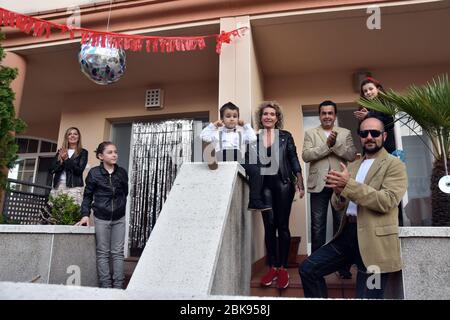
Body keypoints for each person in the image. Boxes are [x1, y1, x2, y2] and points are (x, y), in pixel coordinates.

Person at [298, 116, 407, 299]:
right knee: (308, 269)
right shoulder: (353, 165)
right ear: (360, 137)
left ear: (384, 136)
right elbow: (338, 205)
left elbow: (387, 201)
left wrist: (347, 185)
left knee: (368, 297)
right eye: (364, 133)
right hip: (347, 235)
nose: (369, 137)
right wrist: (339, 193)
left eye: (375, 133)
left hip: (375, 244)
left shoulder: (394, 164)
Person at [302, 100, 357, 279]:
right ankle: (315, 265)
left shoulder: (345, 133)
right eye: (323, 113)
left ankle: (342, 266)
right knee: (317, 227)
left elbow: (351, 155)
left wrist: (335, 144)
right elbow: (306, 155)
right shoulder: (311, 132)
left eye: (330, 113)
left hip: (339, 185)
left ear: (335, 115)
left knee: (340, 226)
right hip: (318, 185)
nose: (327, 116)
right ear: (320, 115)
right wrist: (326, 146)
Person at [254, 101, 305, 290]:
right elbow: (250, 161)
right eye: (265, 114)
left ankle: (282, 268)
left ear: (277, 118)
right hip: (263, 187)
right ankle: (272, 267)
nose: (268, 116)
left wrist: (299, 179)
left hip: (283, 184)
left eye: (272, 114)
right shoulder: (254, 137)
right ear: (261, 117)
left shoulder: (285, 136)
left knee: (282, 225)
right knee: (269, 225)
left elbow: (292, 157)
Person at [77, 141, 129, 289]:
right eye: (110, 152)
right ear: (101, 156)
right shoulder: (94, 173)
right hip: (101, 217)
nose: (114, 155)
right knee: (103, 253)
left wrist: (119, 207)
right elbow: (87, 196)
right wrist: (85, 214)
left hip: (119, 217)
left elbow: (125, 192)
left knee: (118, 252)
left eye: (115, 152)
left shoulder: (122, 172)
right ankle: (105, 287)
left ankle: (118, 287)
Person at [200, 102, 270, 211]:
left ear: (238, 119)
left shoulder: (240, 134)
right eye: (228, 116)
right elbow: (204, 136)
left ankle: (254, 201)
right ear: (222, 119)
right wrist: (213, 125)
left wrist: (246, 126)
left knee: (256, 169)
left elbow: (252, 138)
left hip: (237, 156)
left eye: (235, 116)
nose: (232, 119)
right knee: (216, 153)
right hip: (222, 155)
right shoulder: (217, 133)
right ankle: (211, 160)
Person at [354, 77, 396, 154]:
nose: (368, 92)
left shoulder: (386, 103)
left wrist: (368, 115)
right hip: (369, 149)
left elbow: (389, 122)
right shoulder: (364, 107)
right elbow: (360, 133)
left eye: (371, 89)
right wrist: (362, 121)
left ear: (378, 89)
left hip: (386, 149)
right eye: (365, 91)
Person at [49, 127, 88, 205]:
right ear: (66, 137)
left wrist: (67, 159)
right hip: (58, 186)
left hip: (73, 187)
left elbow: (79, 171)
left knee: (71, 214)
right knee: (55, 215)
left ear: (78, 137)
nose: (72, 136)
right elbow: (51, 170)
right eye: (69, 134)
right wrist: (61, 162)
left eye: (75, 134)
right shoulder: (60, 152)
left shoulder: (83, 152)